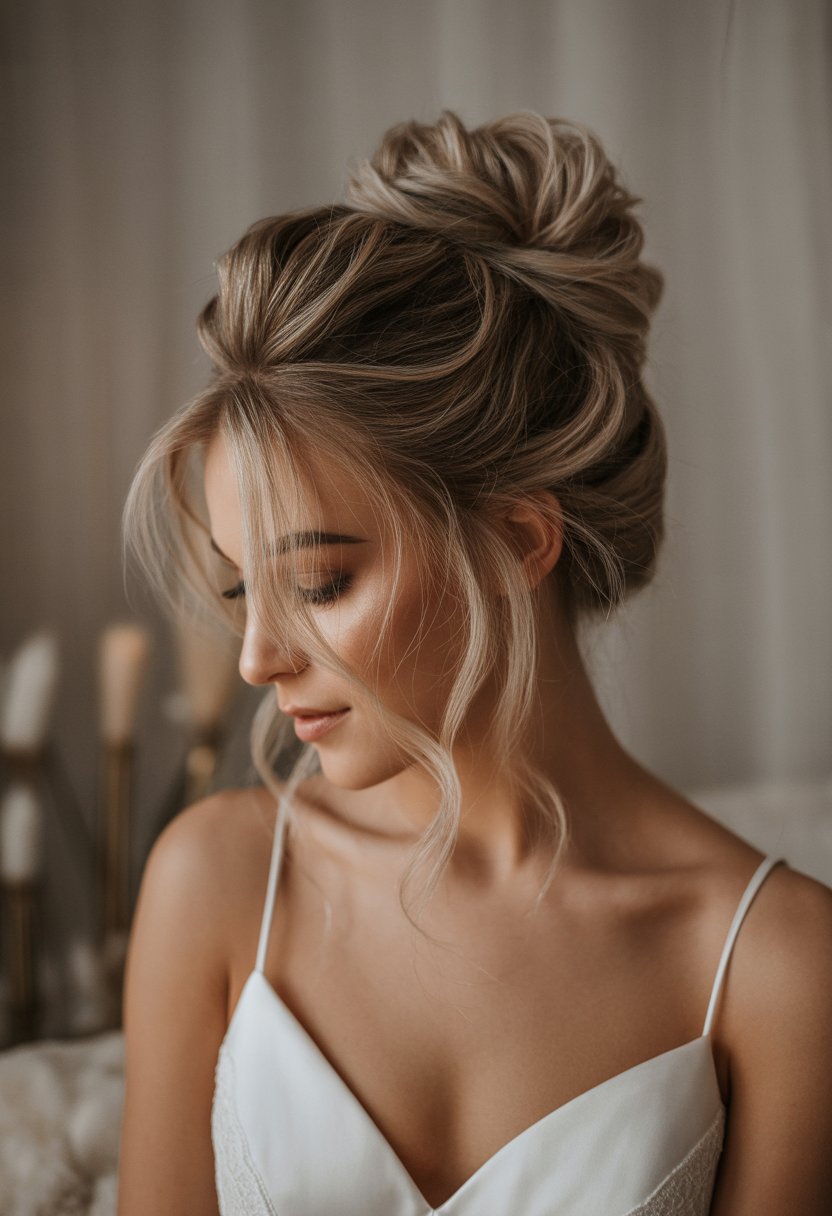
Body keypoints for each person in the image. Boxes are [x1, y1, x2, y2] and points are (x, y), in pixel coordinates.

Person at [116, 111, 832, 1215]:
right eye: (238, 588)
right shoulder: (213, 883)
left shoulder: (779, 967)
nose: (257, 655)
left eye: (316, 586)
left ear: (516, 540)